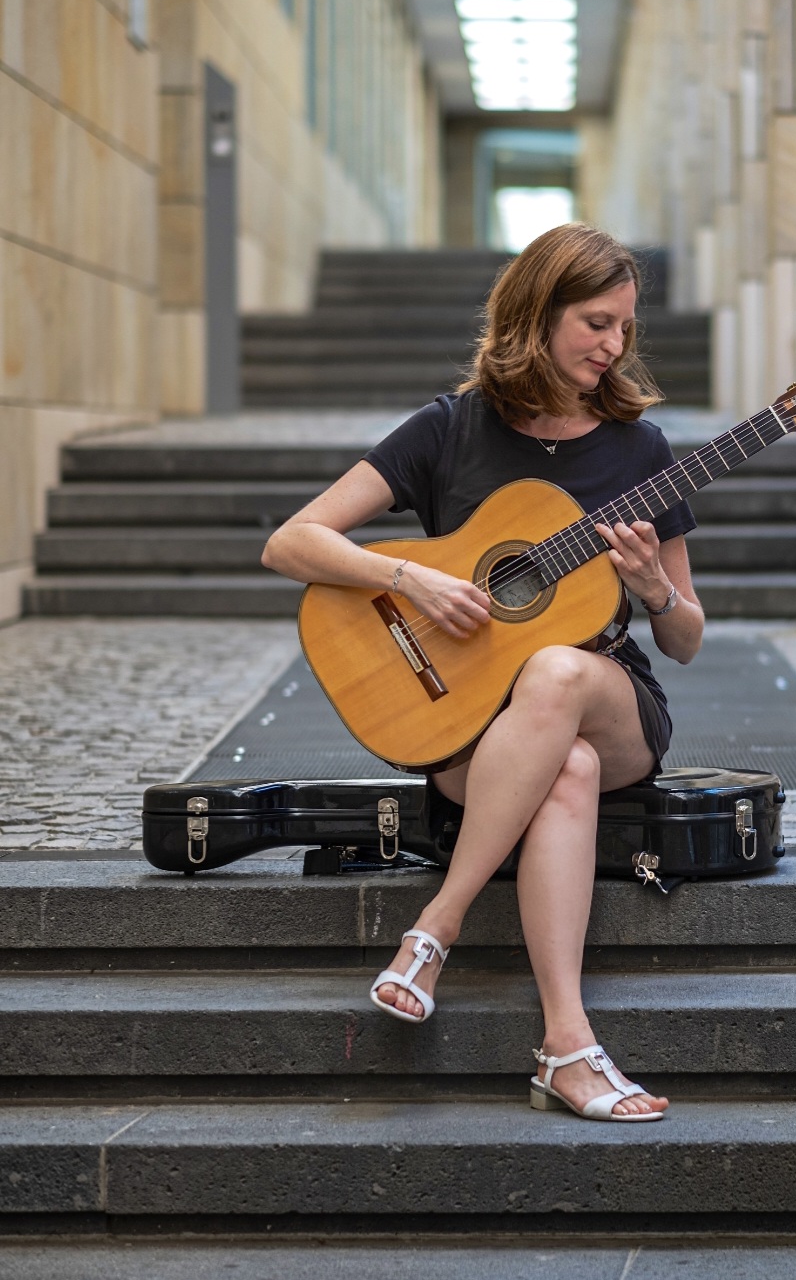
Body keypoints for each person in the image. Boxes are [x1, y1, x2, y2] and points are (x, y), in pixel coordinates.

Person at [262, 223, 704, 1122]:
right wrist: (408, 576)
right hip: (470, 723)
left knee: (556, 670)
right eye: (596, 323)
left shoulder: (641, 452)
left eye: (625, 326)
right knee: (564, 768)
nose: (615, 345)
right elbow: (290, 542)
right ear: (536, 314)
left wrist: (656, 590)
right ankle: (567, 1048)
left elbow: (686, 640)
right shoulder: (450, 429)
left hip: (610, 698)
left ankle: (437, 926)